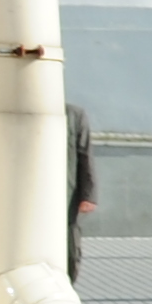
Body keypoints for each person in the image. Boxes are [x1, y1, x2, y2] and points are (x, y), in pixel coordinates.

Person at [66, 103, 97, 286]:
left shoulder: (74, 115)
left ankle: (68, 286)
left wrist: (89, 194)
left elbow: (85, 155)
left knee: (71, 250)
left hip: (68, 197)